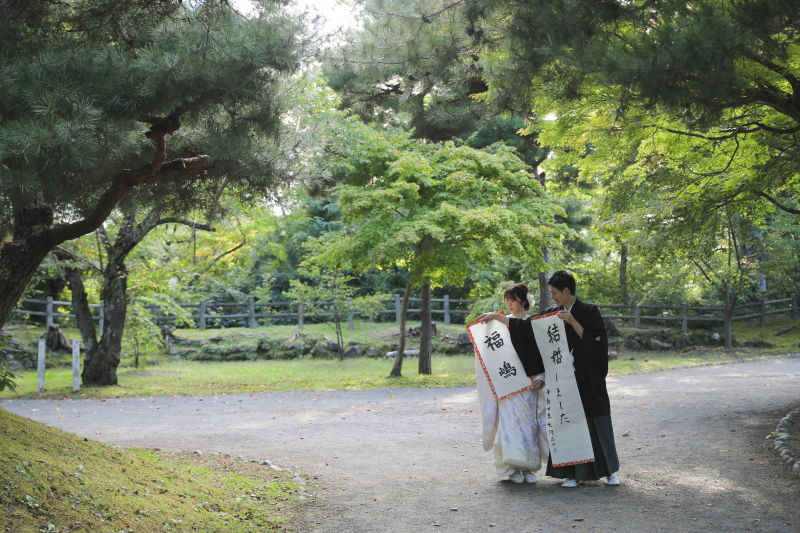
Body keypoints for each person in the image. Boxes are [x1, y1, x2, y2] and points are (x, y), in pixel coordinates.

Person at [477, 271, 620, 488]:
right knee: (568, 424)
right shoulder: (552, 313)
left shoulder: (589, 311)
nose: (552, 297)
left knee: (596, 423)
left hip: (588, 377)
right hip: (563, 379)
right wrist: (496, 317)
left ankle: (609, 472)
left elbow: (598, 344)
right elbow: (525, 327)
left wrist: (573, 322)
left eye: (554, 293)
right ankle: (573, 474)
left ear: (566, 291)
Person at [474, 283, 548, 484]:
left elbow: (538, 349)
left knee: (527, 424)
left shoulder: (532, 323)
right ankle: (511, 467)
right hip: (507, 383)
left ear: (523, 301)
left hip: (528, 382)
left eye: (513, 300)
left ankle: (528, 466)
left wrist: (541, 375)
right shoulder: (499, 326)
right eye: (506, 300)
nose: (509, 304)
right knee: (509, 424)